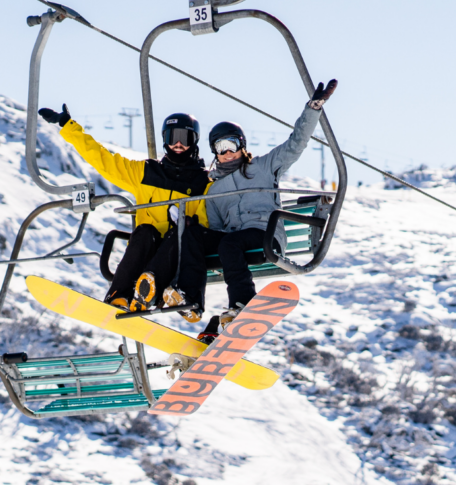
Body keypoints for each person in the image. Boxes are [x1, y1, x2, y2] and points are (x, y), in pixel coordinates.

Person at [144, 79, 338, 333]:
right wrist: (195, 229)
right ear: (214, 151)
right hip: (234, 243)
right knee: (193, 233)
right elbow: (215, 227)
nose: (227, 152)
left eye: (232, 144)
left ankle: (243, 301)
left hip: (264, 237)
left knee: (230, 242)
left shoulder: (263, 167)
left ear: (242, 145)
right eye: (220, 148)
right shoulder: (213, 190)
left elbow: (296, 143)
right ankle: (190, 299)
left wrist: (313, 109)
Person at [38, 104, 210, 310]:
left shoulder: (203, 182)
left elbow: (207, 219)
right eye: (173, 137)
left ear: (195, 141)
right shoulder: (146, 172)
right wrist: (69, 126)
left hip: (178, 250)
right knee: (144, 231)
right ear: (165, 140)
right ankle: (118, 296)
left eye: (185, 137)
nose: (179, 144)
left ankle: (150, 288)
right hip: (149, 246)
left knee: (181, 232)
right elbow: (104, 160)